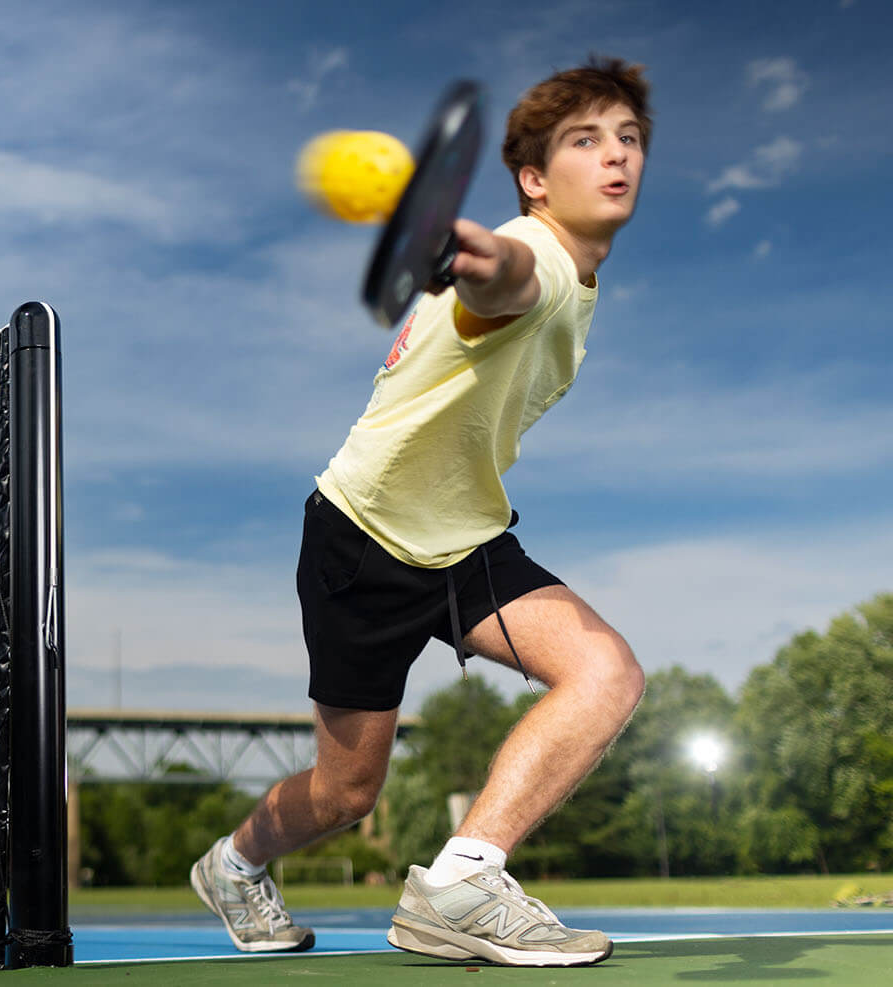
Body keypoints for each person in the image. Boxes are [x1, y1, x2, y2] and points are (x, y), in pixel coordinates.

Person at [190, 57, 652, 968]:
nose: (617, 157)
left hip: (468, 538)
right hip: (362, 538)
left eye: (630, 138)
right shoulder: (541, 261)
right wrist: (463, 253)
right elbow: (502, 275)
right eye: (585, 140)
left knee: (605, 673)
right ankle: (234, 864)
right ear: (533, 178)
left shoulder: (578, 281)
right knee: (344, 794)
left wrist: (457, 253)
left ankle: (463, 878)